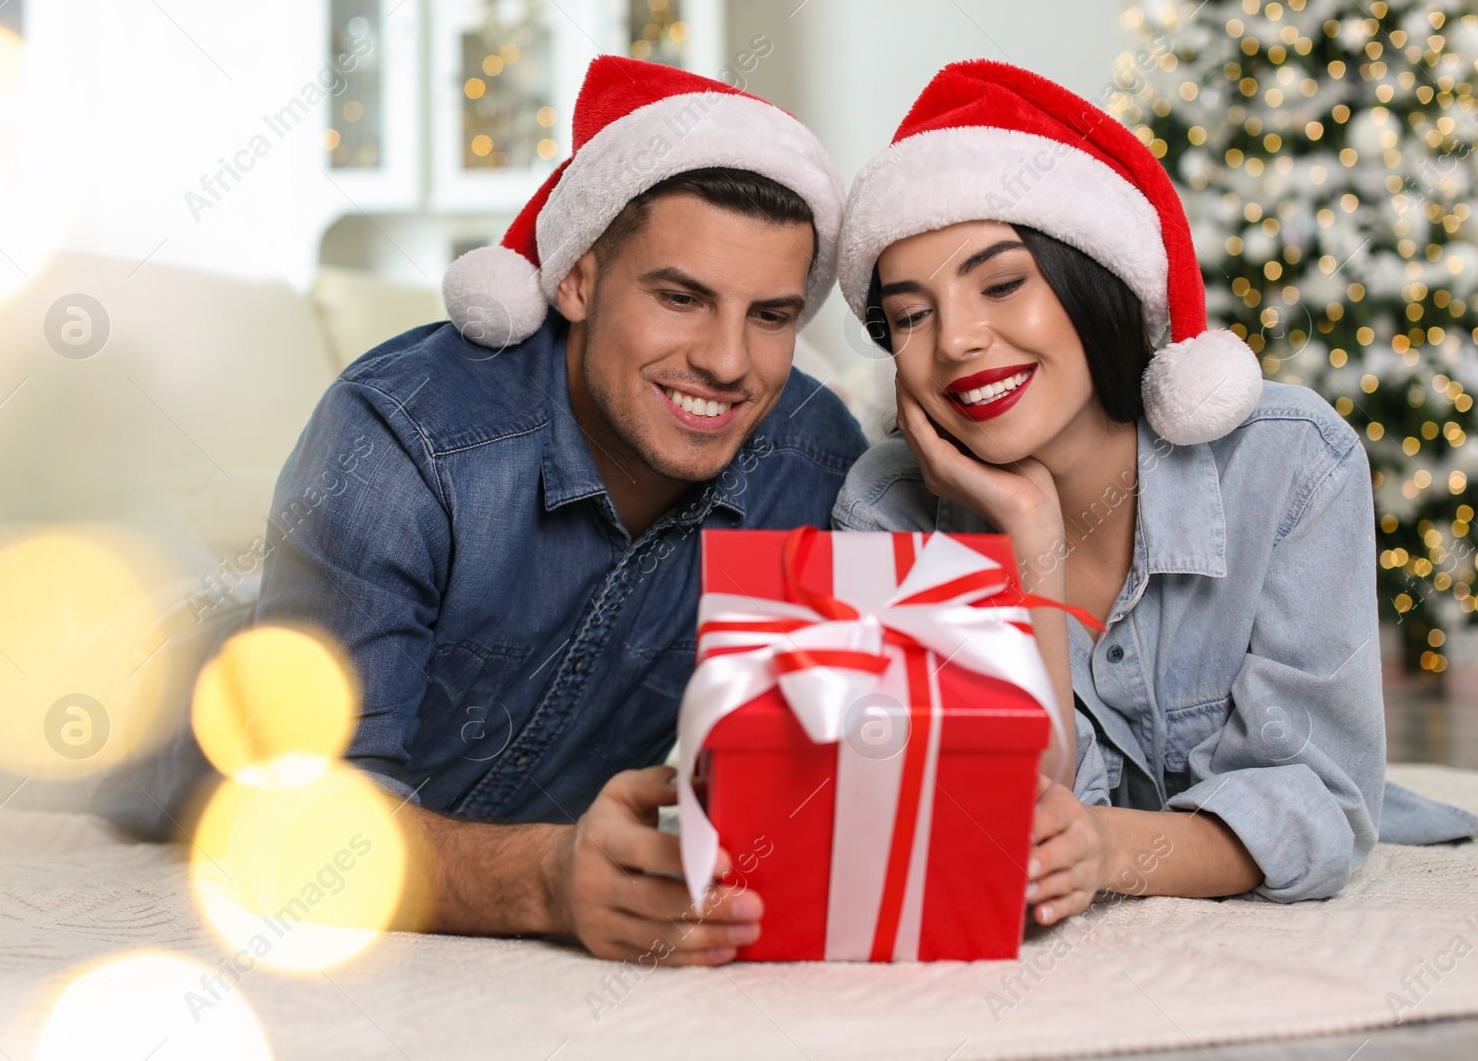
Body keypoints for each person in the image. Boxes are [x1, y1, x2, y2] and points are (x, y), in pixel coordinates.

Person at [831, 61, 1478, 928]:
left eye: (1002, 283)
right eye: (910, 315)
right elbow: (984, 832)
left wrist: (1108, 848)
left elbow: (1319, 802)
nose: (956, 340)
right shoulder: (883, 507)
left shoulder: (1290, 465)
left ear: (1091, 278)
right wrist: (1030, 542)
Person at [254, 56, 864, 965]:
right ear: (574, 280)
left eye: (771, 316)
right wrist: (545, 877)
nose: (730, 362)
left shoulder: (814, 457)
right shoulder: (400, 439)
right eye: (680, 297)